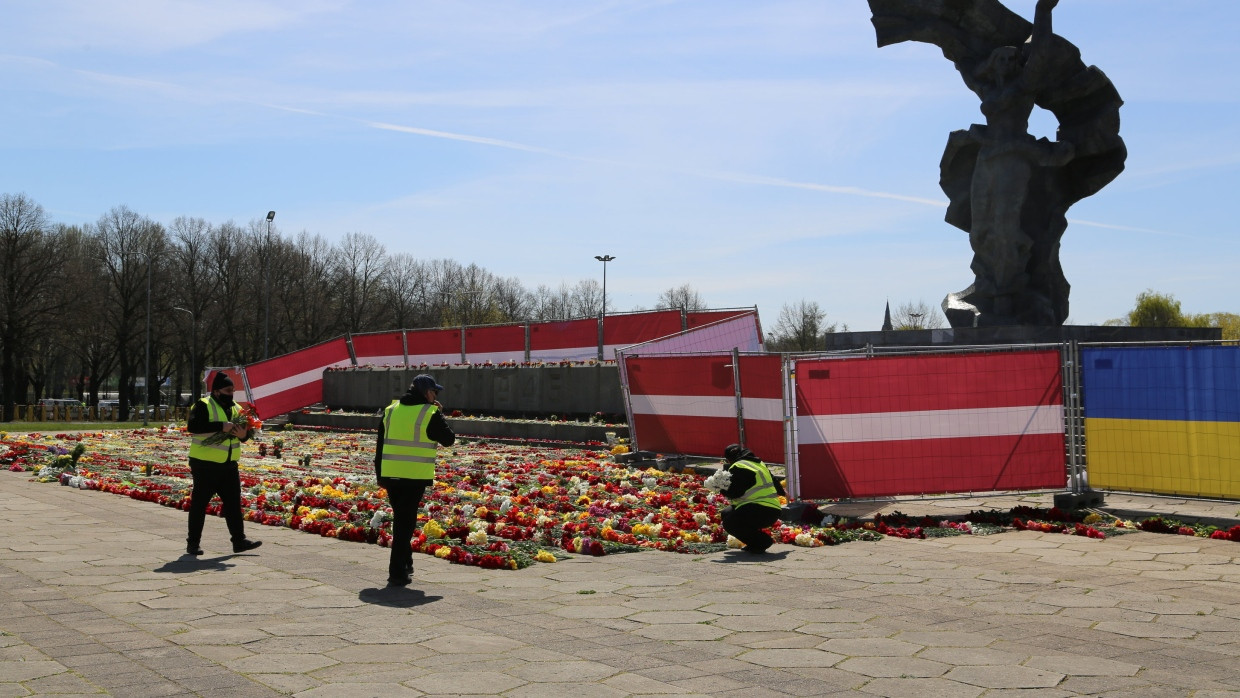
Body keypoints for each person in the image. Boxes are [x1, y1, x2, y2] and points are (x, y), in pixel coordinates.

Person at [375, 374, 455, 586]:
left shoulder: (391, 410)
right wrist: (439, 414)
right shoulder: (429, 412)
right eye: (434, 392)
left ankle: (406, 563)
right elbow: (449, 439)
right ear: (426, 392)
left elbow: (380, 444)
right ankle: (396, 572)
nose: (435, 396)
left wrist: (379, 475)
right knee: (405, 523)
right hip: (414, 476)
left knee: (402, 520)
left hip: (391, 474)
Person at [185, 372, 262, 555]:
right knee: (199, 504)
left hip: (228, 464)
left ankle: (239, 541)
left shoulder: (235, 407)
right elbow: (193, 427)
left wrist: (244, 435)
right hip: (205, 465)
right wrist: (220, 426)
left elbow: (244, 435)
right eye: (228, 390)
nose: (231, 394)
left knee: (233, 504)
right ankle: (193, 544)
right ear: (217, 391)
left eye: (233, 390)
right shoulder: (203, 405)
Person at [718, 444, 785, 555]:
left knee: (729, 522)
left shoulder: (739, 466)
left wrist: (720, 486)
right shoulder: (758, 463)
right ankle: (754, 542)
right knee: (726, 513)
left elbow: (734, 493)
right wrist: (782, 492)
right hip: (772, 510)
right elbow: (773, 480)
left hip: (760, 510)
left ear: (729, 459)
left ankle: (762, 542)